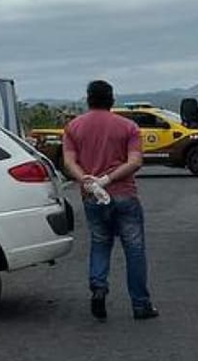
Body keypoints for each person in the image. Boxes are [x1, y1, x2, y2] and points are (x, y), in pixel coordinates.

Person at [62, 80, 158, 321]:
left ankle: (99, 288)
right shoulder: (128, 126)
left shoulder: (74, 127)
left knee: (100, 242)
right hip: (124, 193)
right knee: (134, 250)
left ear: (88, 99)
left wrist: (86, 179)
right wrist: (107, 179)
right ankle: (141, 305)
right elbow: (135, 161)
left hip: (92, 196)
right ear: (111, 99)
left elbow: (69, 162)